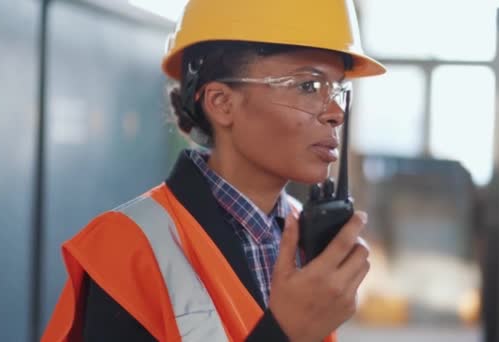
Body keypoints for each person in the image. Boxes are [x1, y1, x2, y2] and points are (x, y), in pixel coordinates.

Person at [42, 0, 386, 341]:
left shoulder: (304, 232)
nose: (336, 113)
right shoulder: (127, 249)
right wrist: (284, 335)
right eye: (308, 86)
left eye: (339, 88)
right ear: (222, 103)